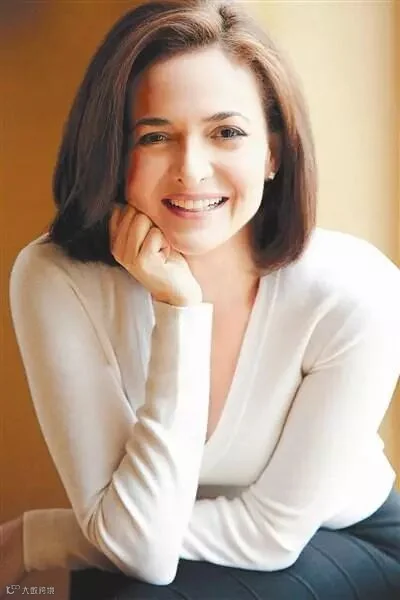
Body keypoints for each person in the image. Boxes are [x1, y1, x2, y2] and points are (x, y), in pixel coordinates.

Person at [2, 0, 400, 598]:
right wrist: (178, 310)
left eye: (226, 133)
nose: (191, 170)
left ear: (273, 152)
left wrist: (45, 536)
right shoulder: (55, 278)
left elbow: (268, 533)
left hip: (346, 538)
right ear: (113, 151)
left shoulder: (355, 290)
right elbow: (136, 546)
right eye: (155, 136)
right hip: (151, 543)